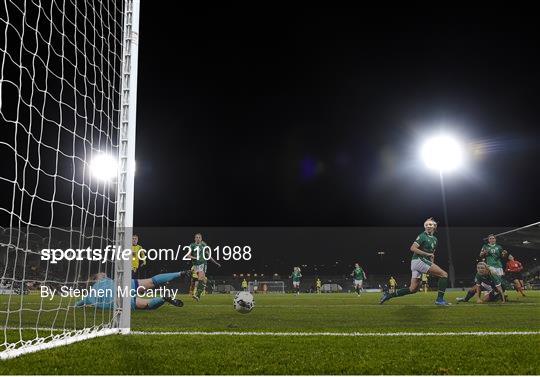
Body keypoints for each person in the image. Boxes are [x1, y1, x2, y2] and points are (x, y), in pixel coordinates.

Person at [380, 218, 450, 306]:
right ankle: (439, 300)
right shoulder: (422, 236)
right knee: (444, 274)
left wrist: (432, 263)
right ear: (424, 226)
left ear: (434, 227)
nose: (428, 226)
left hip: (420, 262)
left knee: (412, 289)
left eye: (430, 224)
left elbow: (432, 255)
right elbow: (412, 248)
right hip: (418, 260)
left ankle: (388, 295)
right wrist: (427, 255)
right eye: (426, 224)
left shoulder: (435, 239)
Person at [75, 271, 187, 310]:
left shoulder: (89, 296)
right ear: (97, 278)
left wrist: (76, 306)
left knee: (146, 304)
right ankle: (180, 273)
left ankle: (163, 298)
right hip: (122, 285)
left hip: (116, 298)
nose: (104, 274)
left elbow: (78, 304)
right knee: (152, 281)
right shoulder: (106, 280)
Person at [187, 233, 221, 301]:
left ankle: (197, 295)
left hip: (202, 264)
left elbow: (208, 255)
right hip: (195, 265)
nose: (198, 238)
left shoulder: (204, 244)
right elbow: (188, 255)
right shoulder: (192, 245)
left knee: (200, 279)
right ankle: (197, 293)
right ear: (194, 238)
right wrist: (194, 257)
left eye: (199, 237)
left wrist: (216, 262)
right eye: (196, 237)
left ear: (201, 239)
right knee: (196, 281)